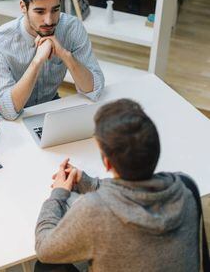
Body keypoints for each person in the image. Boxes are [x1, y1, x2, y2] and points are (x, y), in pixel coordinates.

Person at [35, 99, 200, 272]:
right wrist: (86, 181)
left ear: (107, 163)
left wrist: (58, 194)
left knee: (46, 266)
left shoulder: (94, 211)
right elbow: (133, 191)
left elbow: (44, 249)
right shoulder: (186, 187)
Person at [0, 0, 104, 120]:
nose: (49, 21)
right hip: (6, 115)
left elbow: (95, 89)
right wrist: (37, 61)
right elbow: (9, 111)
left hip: (48, 106)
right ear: (23, 7)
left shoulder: (72, 28)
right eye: (40, 12)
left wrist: (65, 54)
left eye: (55, 10)